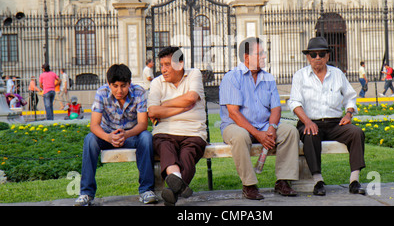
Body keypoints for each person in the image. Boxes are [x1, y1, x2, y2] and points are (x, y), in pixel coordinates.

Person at [219, 37, 299, 200]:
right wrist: (257, 134)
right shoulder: (232, 77)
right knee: (240, 136)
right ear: (246, 57)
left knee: (290, 131)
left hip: (264, 126)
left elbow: (276, 108)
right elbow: (233, 113)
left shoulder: (268, 77)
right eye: (260, 53)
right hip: (235, 126)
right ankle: (249, 186)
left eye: (264, 53)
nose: (264, 56)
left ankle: (283, 182)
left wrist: (271, 129)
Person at [288, 36, 366, 196]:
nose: (318, 58)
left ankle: (354, 181)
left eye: (322, 54)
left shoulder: (337, 74)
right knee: (310, 134)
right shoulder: (300, 76)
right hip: (309, 121)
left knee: (357, 133)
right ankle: (318, 181)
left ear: (328, 56)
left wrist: (349, 113)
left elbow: (350, 96)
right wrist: (307, 122)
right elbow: (295, 102)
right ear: (308, 57)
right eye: (314, 54)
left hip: (335, 123)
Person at [75, 64, 156, 206]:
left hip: (131, 135)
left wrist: (126, 134)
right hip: (107, 135)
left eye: (123, 86)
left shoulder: (139, 92)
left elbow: (143, 124)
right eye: (115, 86)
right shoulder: (101, 93)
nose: (119, 90)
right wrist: (108, 137)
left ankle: (146, 190)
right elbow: (94, 125)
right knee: (90, 139)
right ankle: (86, 193)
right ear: (108, 84)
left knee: (146, 137)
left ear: (129, 83)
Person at [147, 47, 207, 206]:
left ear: (180, 64)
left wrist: (165, 105)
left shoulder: (194, 74)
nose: (163, 70)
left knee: (188, 153)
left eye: (167, 64)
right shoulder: (157, 83)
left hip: (193, 132)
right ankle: (177, 188)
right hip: (166, 132)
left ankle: (173, 190)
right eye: (161, 65)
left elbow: (192, 97)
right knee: (166, 146)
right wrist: (182, 108)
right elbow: (152, 111)